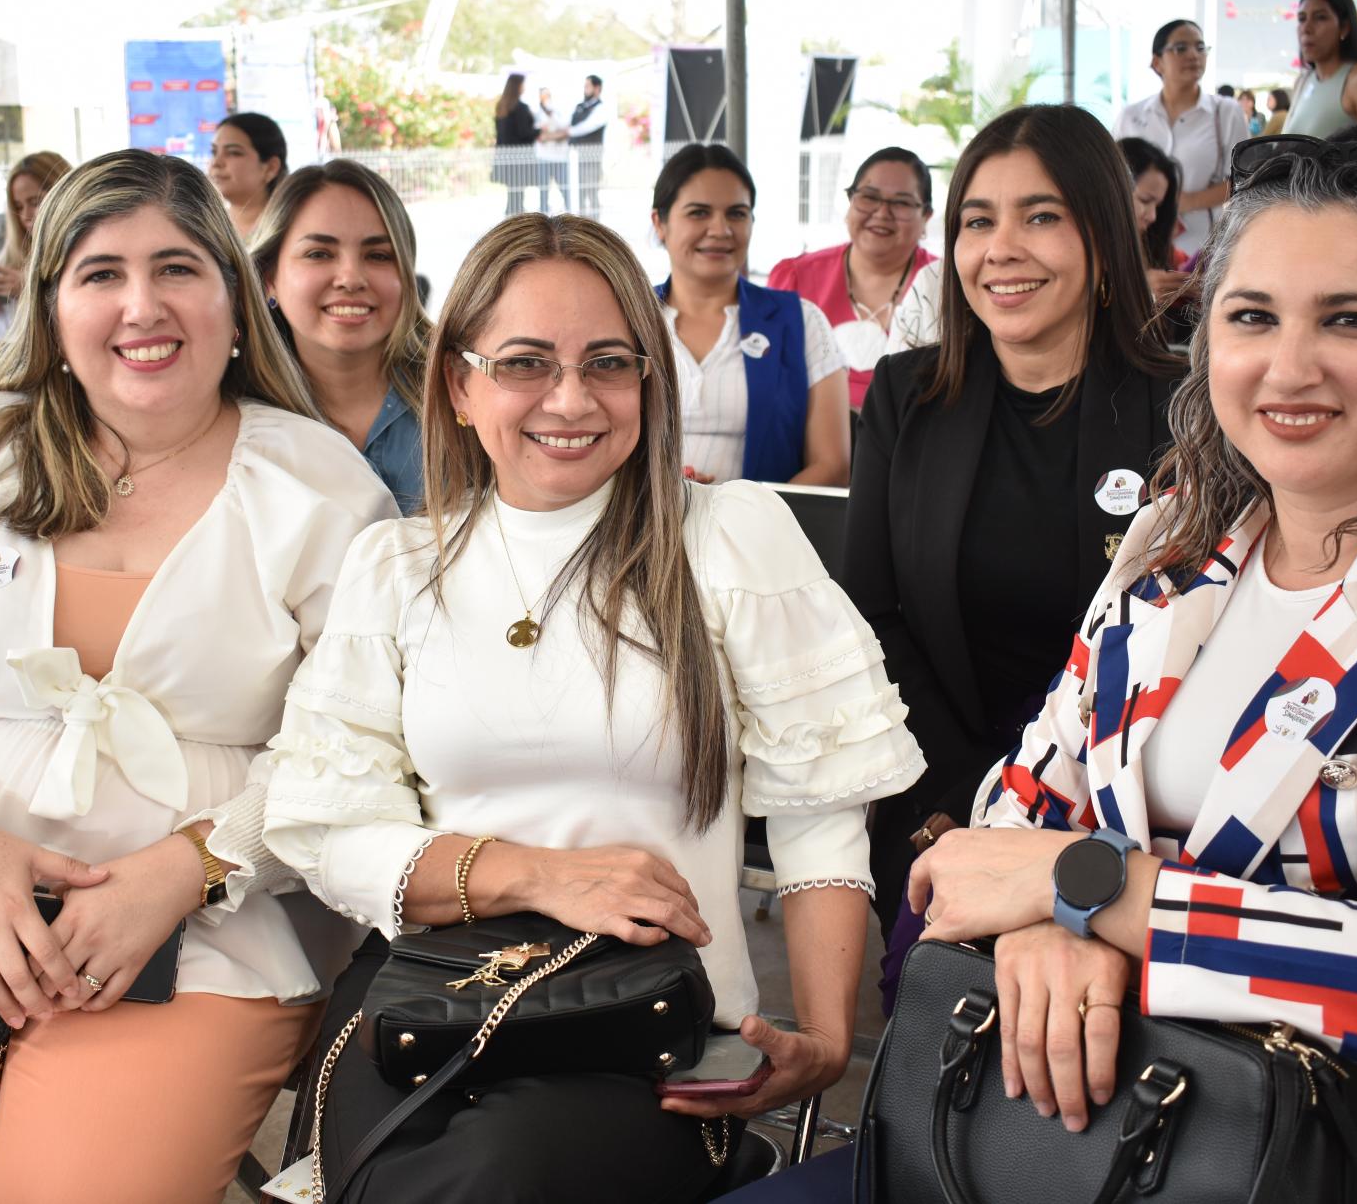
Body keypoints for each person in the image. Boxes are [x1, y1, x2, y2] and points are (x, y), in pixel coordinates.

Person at [904, 135, 1357, 1202]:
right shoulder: (1172, 544)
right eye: (1250, 317)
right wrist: (1047, 918)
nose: (1287, 365)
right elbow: (1007, 819)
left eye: (1348, 319)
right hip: (1109, 1151)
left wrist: (1103, 893)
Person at [0, 149, 396, 1204]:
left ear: (234, 296)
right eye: (100, 274)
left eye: (178, 268)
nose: (142, 306)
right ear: (51, 306)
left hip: (204, 931)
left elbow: (357, 743)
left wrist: (188, 867)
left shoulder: (320, 489)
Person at [261, 211, 922, 1204]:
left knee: (474, 1182)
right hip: (428, 1009)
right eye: (525, 362)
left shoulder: (729, 540)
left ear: (648, 380)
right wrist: (537, 875)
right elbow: (325, 833)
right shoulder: (397, 567)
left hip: (650, 1037)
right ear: (459, 382)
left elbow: (821, 809)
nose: (569, 399)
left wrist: (823, 1035)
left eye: (607, 362)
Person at [843, 105, 1182, 938]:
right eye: (977, 220)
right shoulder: (907, 398)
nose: (1002, 248)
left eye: (1041, 216)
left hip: (1131, 831)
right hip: (944, 815)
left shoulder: (1187, 409)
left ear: (1102, 237)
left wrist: (1064, 840)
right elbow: (870, 623)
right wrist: (970, 815)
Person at [653, 144, 850, 486]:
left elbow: (833, 465)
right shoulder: (627, 319)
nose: (720, 229)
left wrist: (742, 514)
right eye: (699, 213)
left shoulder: (801, 322)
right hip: (636, 530)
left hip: (758, 532)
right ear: (660, 223)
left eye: (737, 214)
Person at [252, 158, 429, 512]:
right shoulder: (232, 418)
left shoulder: (462, 395)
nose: (350, 278)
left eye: (378, 255)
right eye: (319, 254)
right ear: (269, 277)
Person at [766, 147, 942, 416]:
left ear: (926, 216)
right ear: (850, 203)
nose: (882, 213)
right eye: (869, 197)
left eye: (902, 203)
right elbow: (768, 380)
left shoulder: (943, 285)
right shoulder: (795, 279)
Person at [1114, 19, 1249, 261]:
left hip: (1202, 245)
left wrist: (1185, 201)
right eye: (1180, 48)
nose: (1193, 55)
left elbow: (1245, 180)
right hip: (1136, 245)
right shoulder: (1131, 116)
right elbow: (1111, 176)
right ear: (1157, 62)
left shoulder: (1225, 112)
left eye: (1200, 48)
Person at [0, 150, 72, 346]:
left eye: (35, 202)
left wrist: (33, 291)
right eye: (19, 206)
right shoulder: (9, 260)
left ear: (66, 195)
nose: (26, 215)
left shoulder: (88, 254)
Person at [1284, 0, 1357, 138]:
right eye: (1302, 19)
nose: (1306, 28)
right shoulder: (1302, 82)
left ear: (1344, 28)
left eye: (1320, 17)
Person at [1116, 136, 1191, 311]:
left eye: (1157, 206)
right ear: (1113, 189)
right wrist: (1139, 292)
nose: (1152, 216)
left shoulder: (1163, 251)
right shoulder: (1082, 251)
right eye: (1144, 200)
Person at [209, 113, 288, 243]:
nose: (216, 163)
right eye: (214, 152)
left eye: (233, 153)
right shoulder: (205, 229)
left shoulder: (291, 229)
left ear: (270, 168)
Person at [493, 73, 542, 217]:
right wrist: (539, 130)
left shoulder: (501, 106)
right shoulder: (520, 108)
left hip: (504, 155)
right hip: (520, 157)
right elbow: (524, 132)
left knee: (513, 192)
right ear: (518, 86)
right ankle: (516, 222)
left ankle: (513, 218)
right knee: (518, 192)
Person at [569, 73, 610, 219]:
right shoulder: (580, 107)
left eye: (588, 86)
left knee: (591, 189)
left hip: (592, 155)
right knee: (579, 191)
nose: (585, 89)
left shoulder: (601, 108)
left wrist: (568, 132)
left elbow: (585, 127)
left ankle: (594, 224)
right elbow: (572, 124)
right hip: (577, 155)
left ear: (597, 88)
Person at [534, 87, 575, 213]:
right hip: (543, 157)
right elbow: (540, 136)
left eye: (547, 96)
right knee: (543, 190)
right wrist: (556, 135)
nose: (545, 99)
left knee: (565, 188)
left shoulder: (560, 112)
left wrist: (550, 136)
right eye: (543, 96)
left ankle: (570, 214)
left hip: (561, 157)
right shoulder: (537, 115)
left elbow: (566, 131)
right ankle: (544, 216)